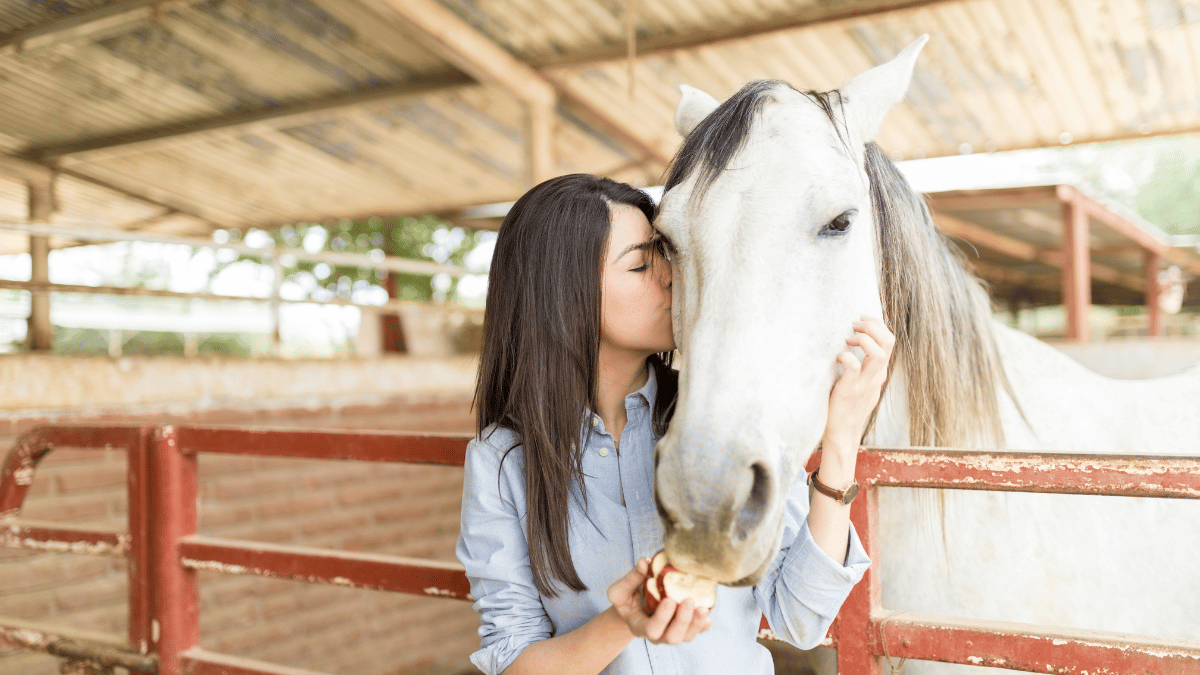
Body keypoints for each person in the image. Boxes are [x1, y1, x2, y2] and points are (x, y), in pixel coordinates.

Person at [456, 174, 894, 675]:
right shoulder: (501, 461)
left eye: (665, 256)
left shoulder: (722, 413)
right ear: (563, 294)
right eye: (641, 264)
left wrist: (840, 440)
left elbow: (802, 618)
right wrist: (628, 618)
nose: (671, 276)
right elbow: (514, 662)